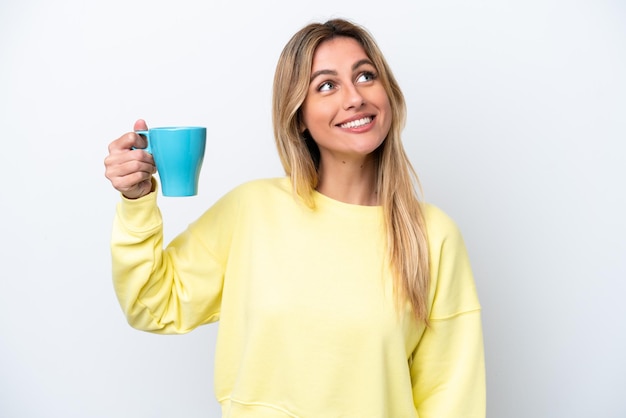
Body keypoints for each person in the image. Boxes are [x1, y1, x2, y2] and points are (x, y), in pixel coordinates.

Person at [104, 18, 485, 418]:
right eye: (326, 85)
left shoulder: (432, 236)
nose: (354, 97)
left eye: (366, 76)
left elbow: (452, 399)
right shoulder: (252, 211)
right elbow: (151, 304)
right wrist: (137, 200)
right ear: (298, 115)